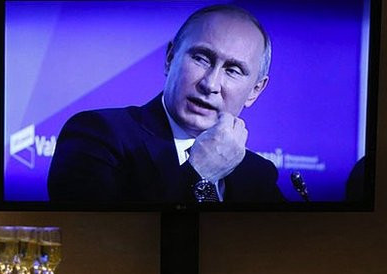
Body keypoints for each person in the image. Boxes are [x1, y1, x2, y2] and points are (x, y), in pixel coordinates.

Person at [47, 4, 285, 204]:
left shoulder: (257, 174)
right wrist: (199, 173)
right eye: (201, 58)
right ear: (170, 58)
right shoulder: (98, 135)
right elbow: (96, 239)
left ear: (255, 90)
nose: (210, 84)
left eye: (232, 70)